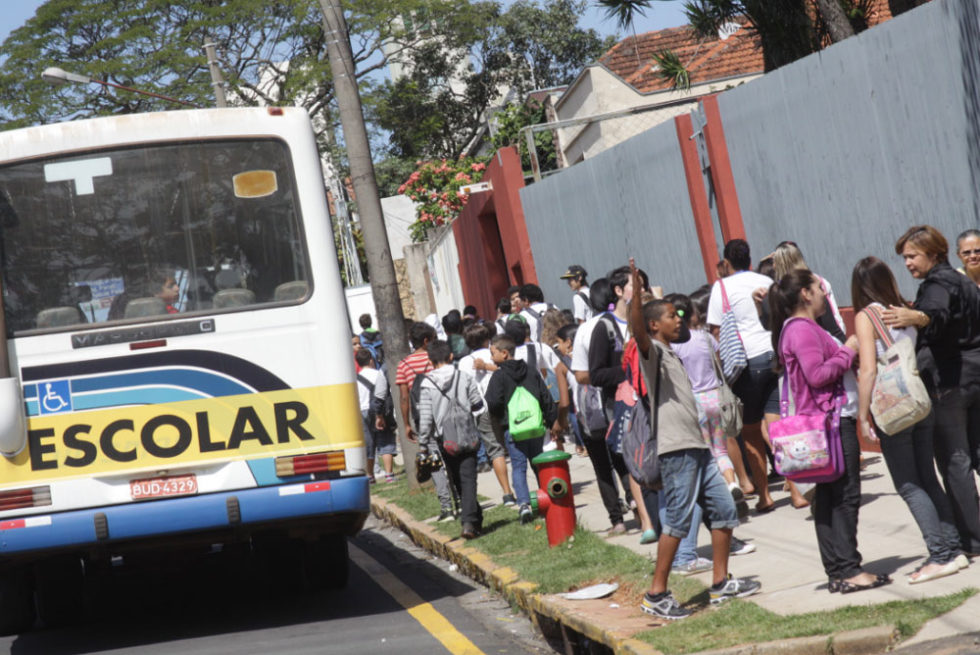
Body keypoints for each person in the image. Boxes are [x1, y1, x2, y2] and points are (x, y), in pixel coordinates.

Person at [628, 260, 758, 620]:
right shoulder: (651, 350)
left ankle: (719, 584)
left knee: (725, 510)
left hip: (698, 446)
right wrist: (635, 295)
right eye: (671, 315)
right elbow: (637, 329)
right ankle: (656, 594)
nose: (679, 319)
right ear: (655, 325)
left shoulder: (672, 350)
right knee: (678, 522)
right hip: (678, 448)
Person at [771, 268, 890, 593]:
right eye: (820, 288)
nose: (825, 293)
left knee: (827, 497)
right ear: (806, 294)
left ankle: (838, 570)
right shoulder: (803, 330)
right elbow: (817, 374)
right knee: (846, 495)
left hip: (825, 422)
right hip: (831, 424)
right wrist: (849, 349)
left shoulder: (796, 328)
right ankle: (849, 569)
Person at [852, 256, 967, 583]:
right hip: (919, 401)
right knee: (928, 479)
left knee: (908, 484)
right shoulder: (906, 310)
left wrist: (863, 416)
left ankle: (939, 554)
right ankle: (954, 550)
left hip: (894, 409)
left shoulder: (866, 316)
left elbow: (869, 369)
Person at [883, 225, 980, 555]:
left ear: (934, 254)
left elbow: (935, 314)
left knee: (956, 462)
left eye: (912, 256)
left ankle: (973, 539)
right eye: (905, 257)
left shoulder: (937, 283)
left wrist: (917, 316)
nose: (908, 263)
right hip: (973, 376)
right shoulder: (964, 281)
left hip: (949, 383)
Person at [706, 239, 777, 512]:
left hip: (746, 363)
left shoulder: (721, 287)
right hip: (774, 355)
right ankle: (797, 492)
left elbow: (716, 330)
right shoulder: (765, 281)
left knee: (750, 432)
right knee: (777, 427)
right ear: (750, 258)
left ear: (726, 262)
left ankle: (765, 496)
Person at [570, 277, 630, 531]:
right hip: (629, 398)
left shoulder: (585, 330)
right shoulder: (627, 321)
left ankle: (616, 519)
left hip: (595, 406)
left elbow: (582, 374)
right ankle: (636, 501)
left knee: (601, 462)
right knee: (625, 455)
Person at [485, 334, 559, 525]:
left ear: (504, 353)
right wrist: (552, 421)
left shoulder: (499, 376)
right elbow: (545, 396)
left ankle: (524, 504)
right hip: (535, 427)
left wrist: (501, 419)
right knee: (537, 464)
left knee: (518, 467)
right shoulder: (531, 371)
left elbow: (492, 402)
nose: (491, 357)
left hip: (513, 429)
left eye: (493, 353)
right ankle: (546, 500)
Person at [417, 340, 485, 539]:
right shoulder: (464, 377)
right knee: (468, 478)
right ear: (451, 357)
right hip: (468, 434)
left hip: (445, 440)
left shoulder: (427, 384)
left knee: (457, 479)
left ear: (431, 361)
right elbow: (477, 404)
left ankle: (471, 520)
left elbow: (426, 418)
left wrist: (423, 444)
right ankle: (470, 521)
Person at [396, 322, 454, 520]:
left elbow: (404, 398)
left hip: (423, 418)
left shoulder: (404, 365)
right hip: (445, 414)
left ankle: (446, 507)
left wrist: (406, 424)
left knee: (434, 460)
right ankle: (460, 498)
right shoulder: (435, 359)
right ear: (427, 340)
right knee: (451, 455)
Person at [457, 322, 516, 505]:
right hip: (506, 404)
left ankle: (507, 493)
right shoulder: (496, 355)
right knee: (515, 446)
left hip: (481, 409)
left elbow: (463, 390)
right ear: (487, 339)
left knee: (494, 450)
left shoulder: (464, 362)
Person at [355, 348, 396, 483]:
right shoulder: (379, 374)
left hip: (363, 411)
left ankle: (370, 476)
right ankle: (389, 474)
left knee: (368, 444)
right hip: (379, 411)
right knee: (385, 440)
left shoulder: (355, 379)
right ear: (371, 360)